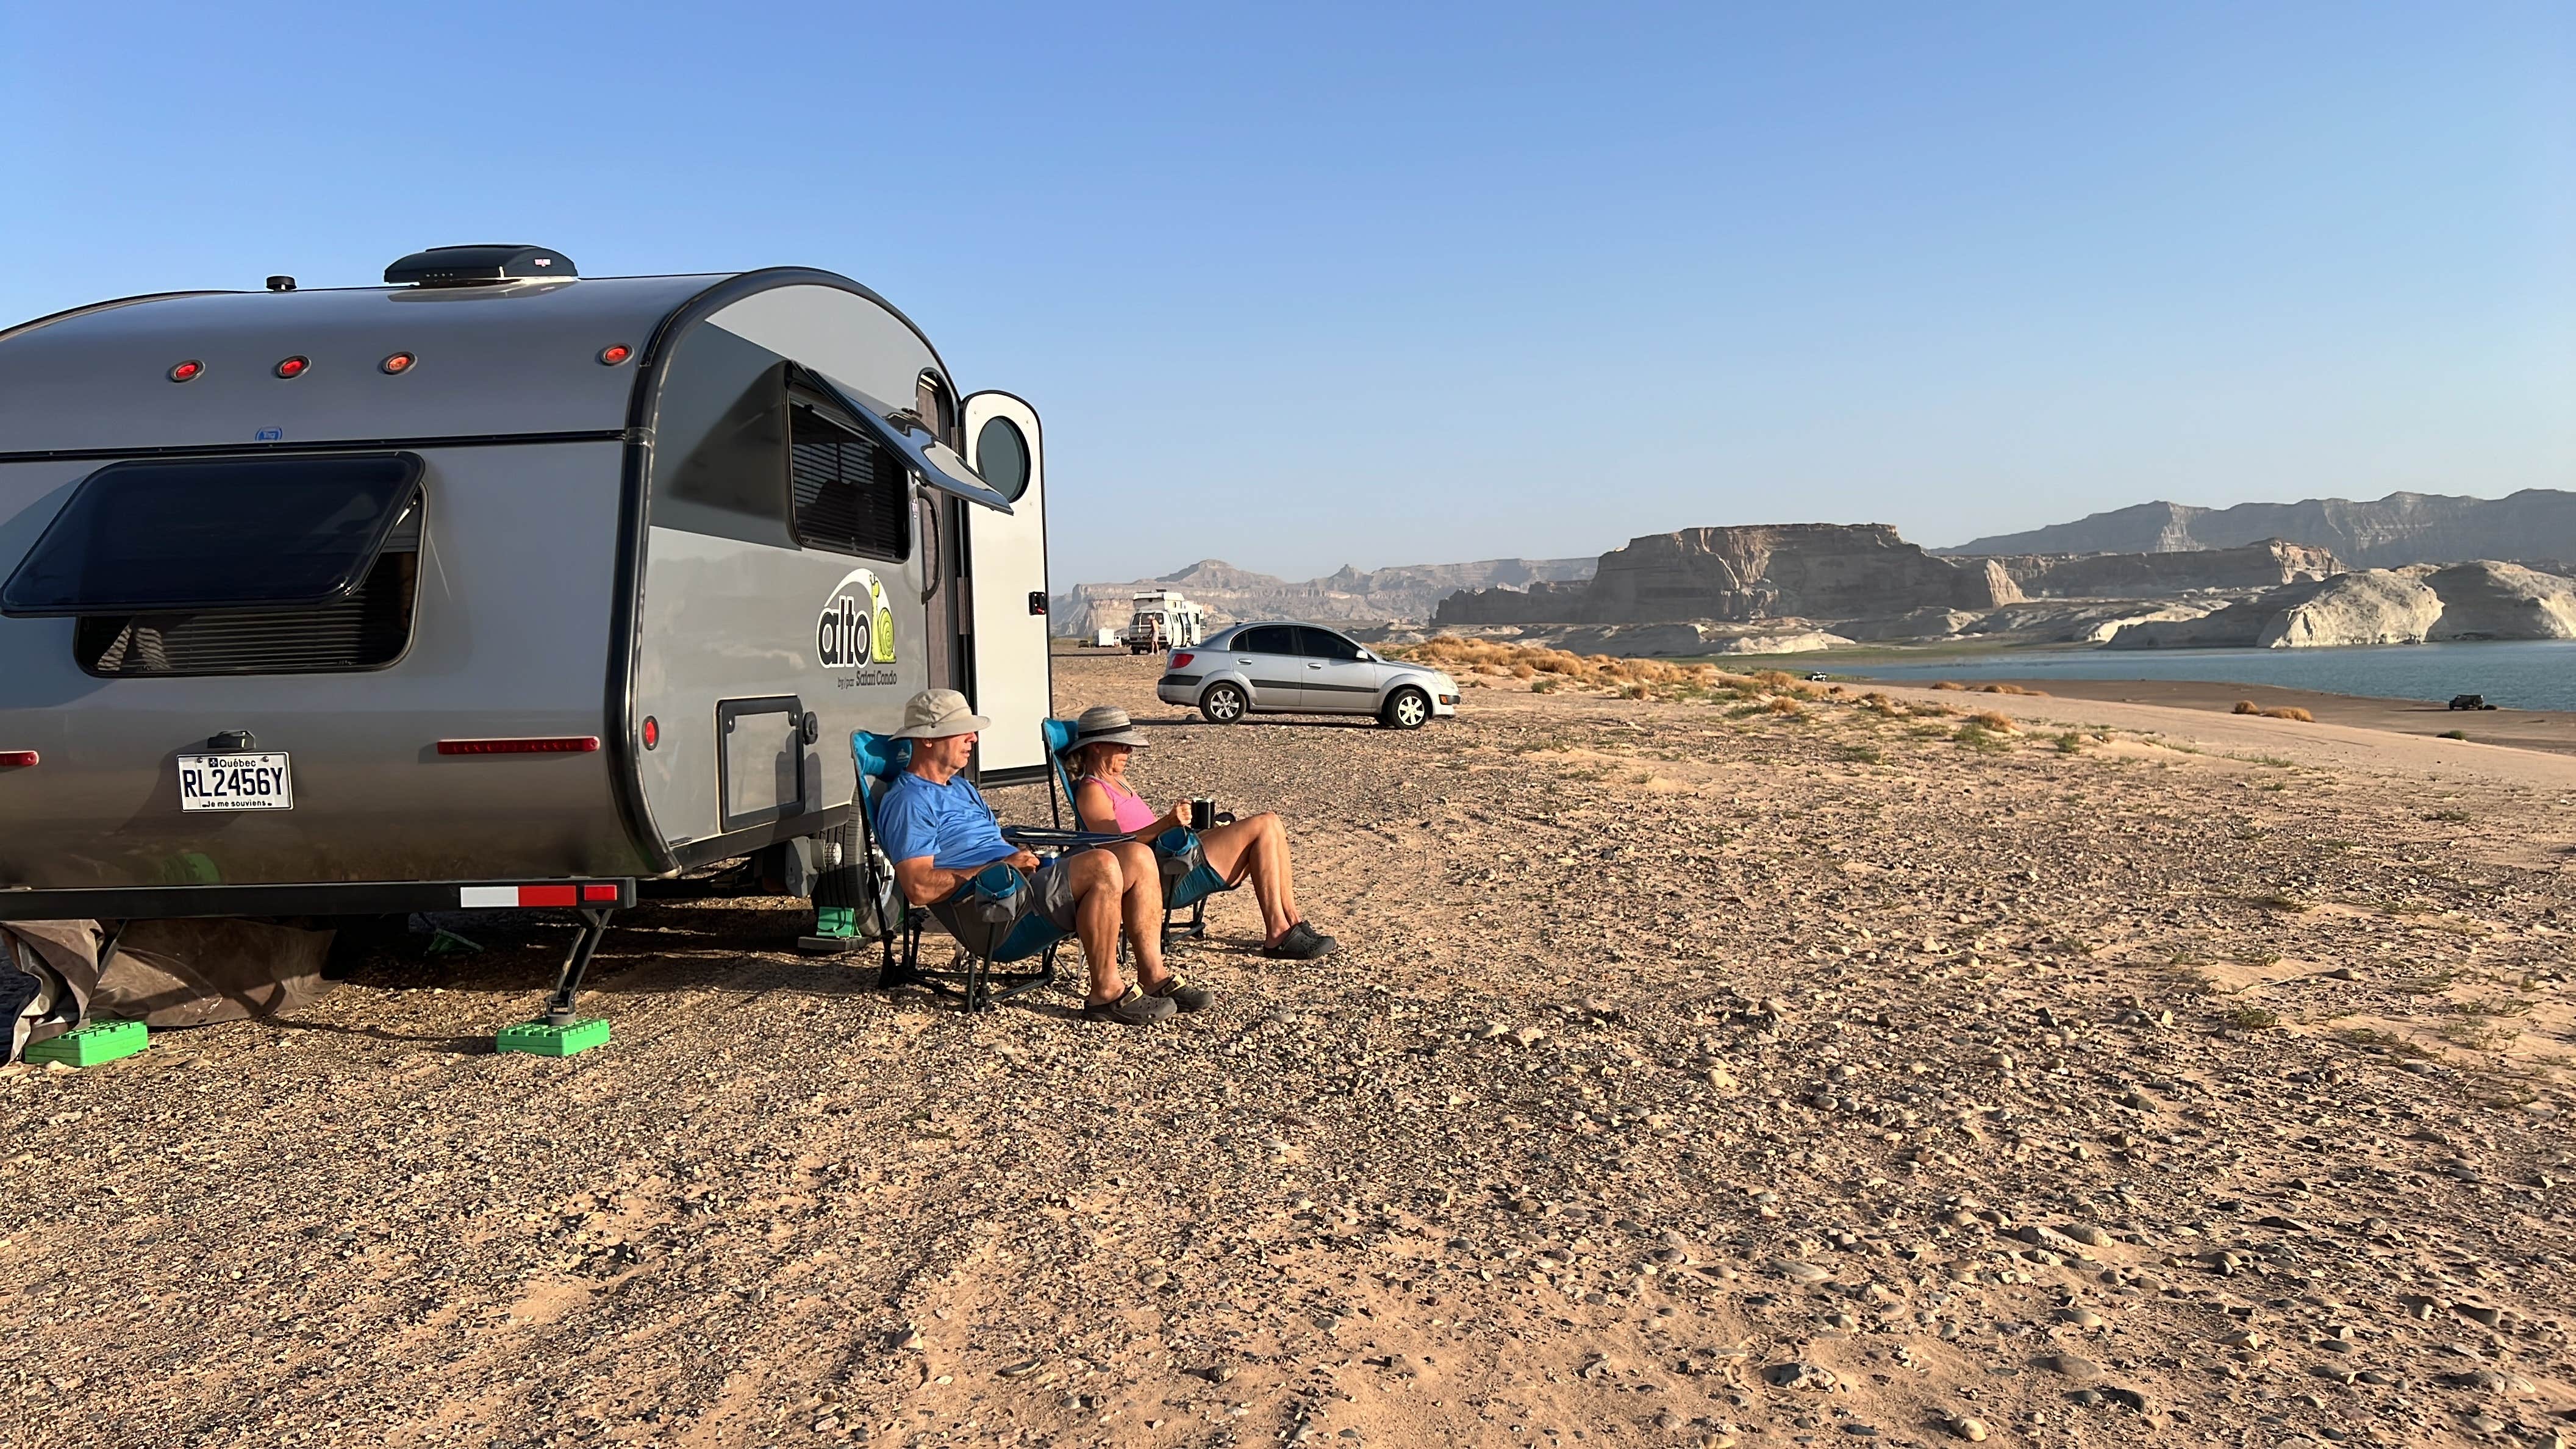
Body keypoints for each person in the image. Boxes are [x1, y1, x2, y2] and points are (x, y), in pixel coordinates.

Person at [876, 690, 1209, 1026]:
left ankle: (1153, 976)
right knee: (1102, 865)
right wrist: (1002, 866)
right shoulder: (909, 802)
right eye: (962, 730)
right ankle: (1105, 994)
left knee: (1137, 855)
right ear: (928, 739)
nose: (973, 738)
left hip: (1021, 887)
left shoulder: (962, 789)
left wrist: (1017, 855)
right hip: (992, 910)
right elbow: (918, 887)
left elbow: (992, 842)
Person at [1062, 704, 1339, 961]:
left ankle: (1292, 921)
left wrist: (1184, 825)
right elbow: (1116, 848)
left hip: (1175, 856)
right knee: (1264, 824)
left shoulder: (1117, 781)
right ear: (1096, 747)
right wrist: (1167, 823)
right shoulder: (1092, 791)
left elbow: (1141, 831)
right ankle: (1277, 933)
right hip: (1164, 875)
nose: (1129, 751)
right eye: (1122, 745)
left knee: (1273, 824)